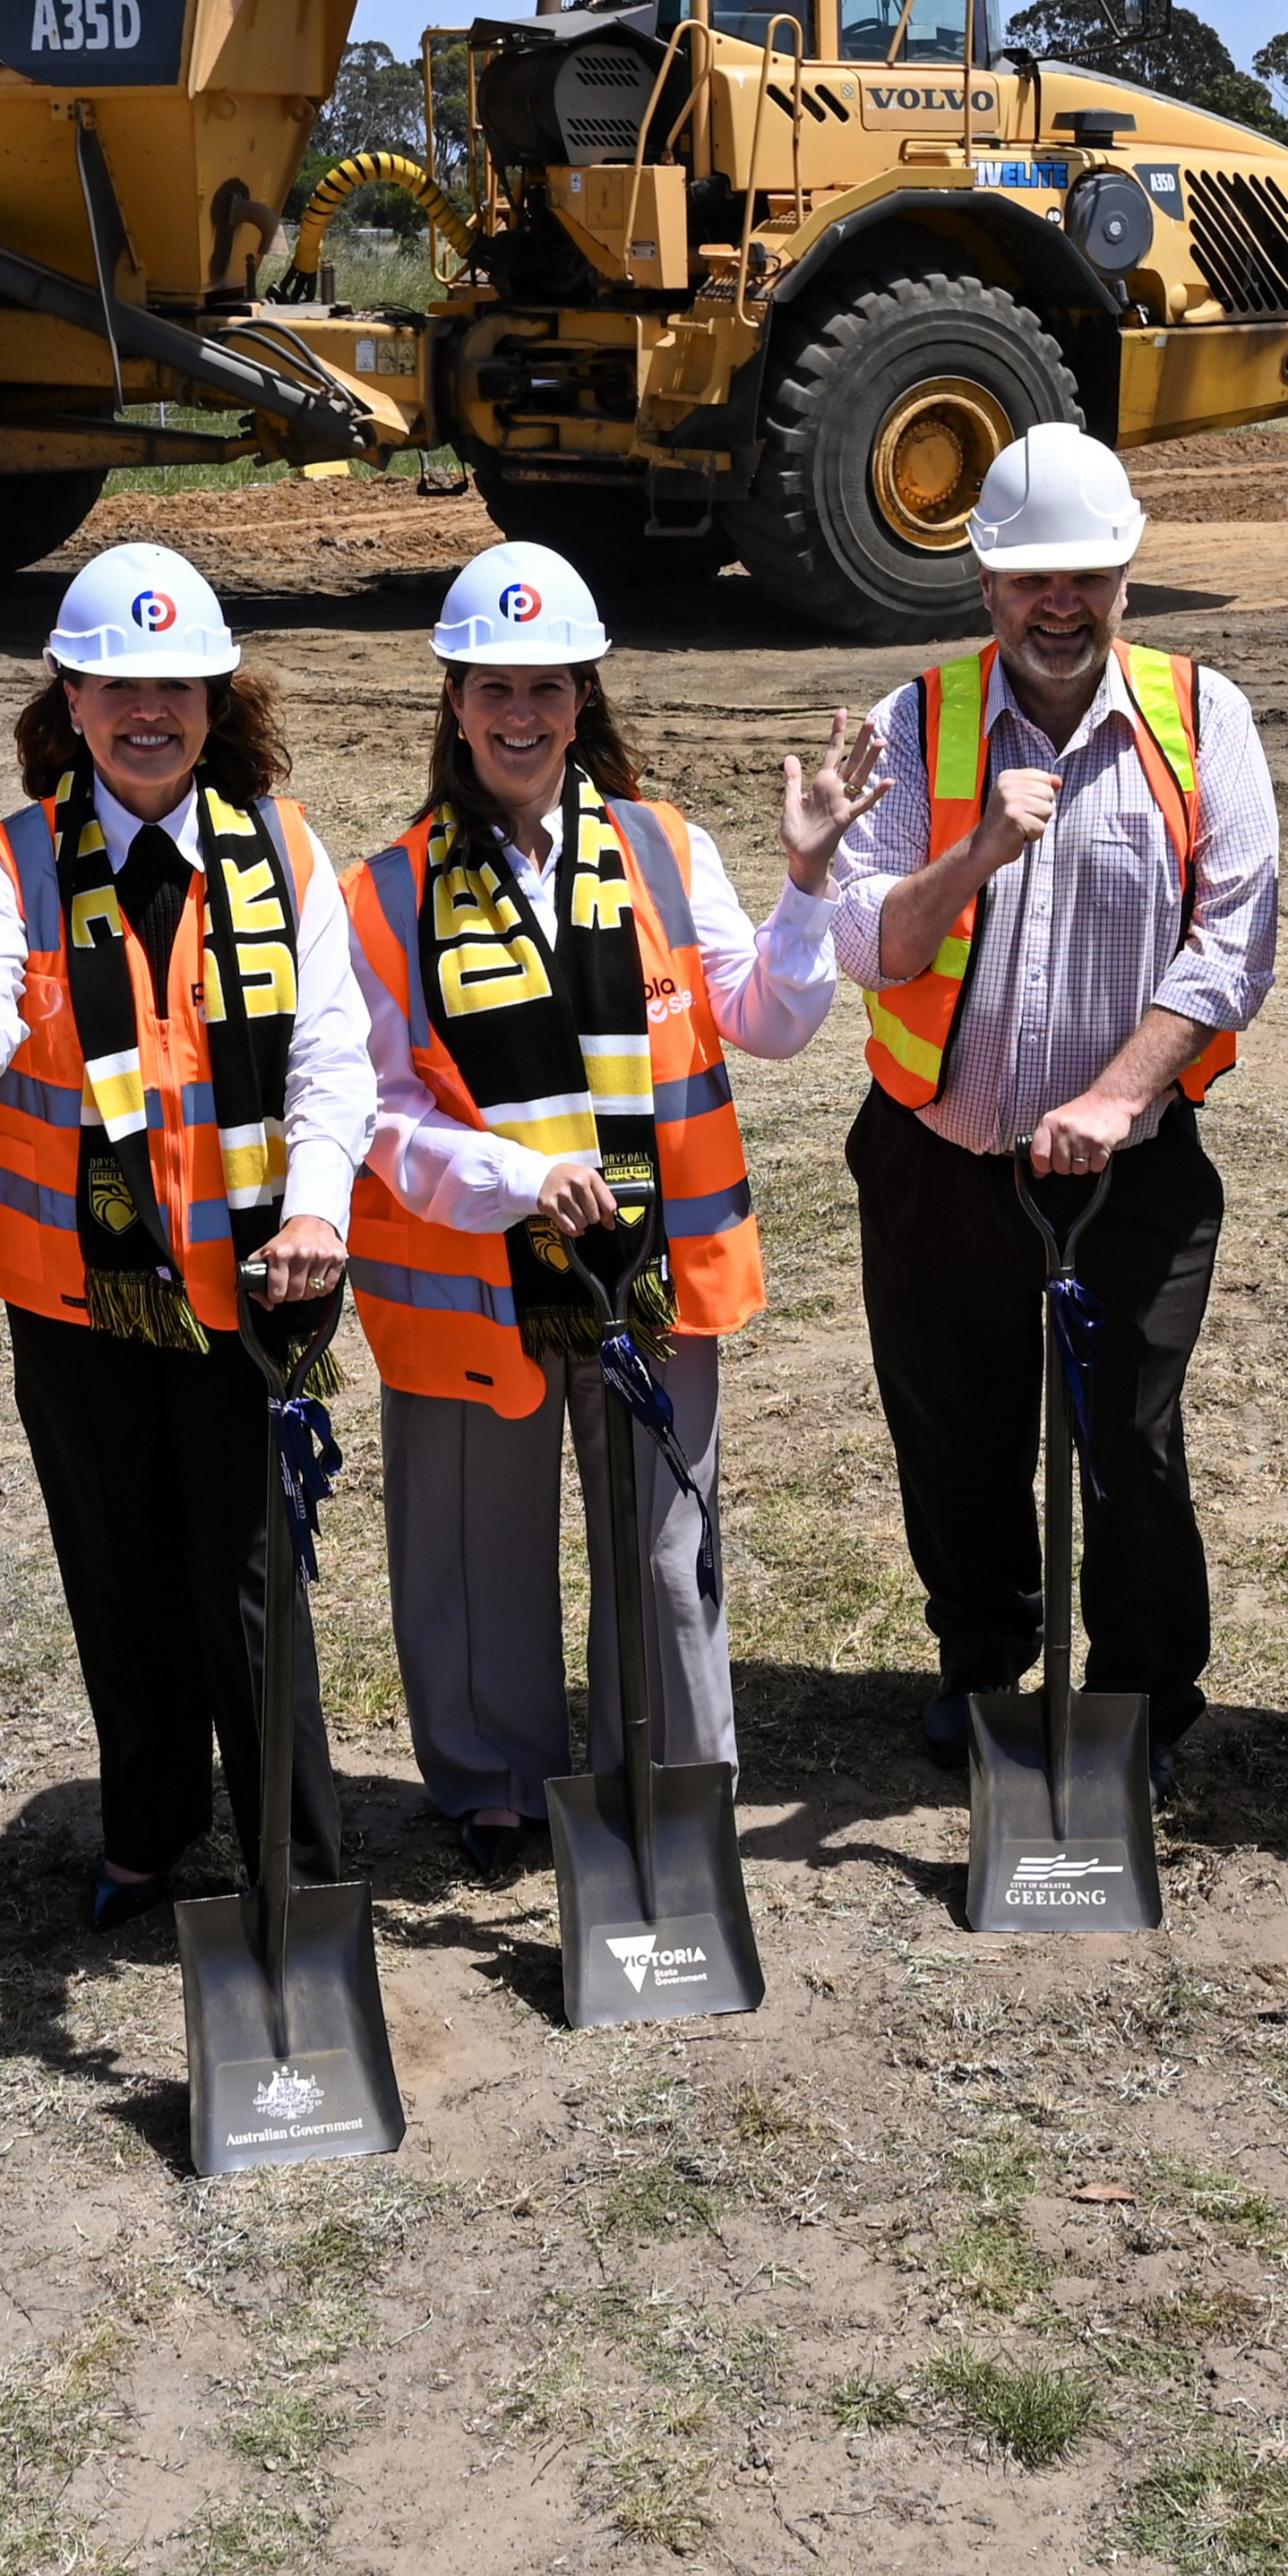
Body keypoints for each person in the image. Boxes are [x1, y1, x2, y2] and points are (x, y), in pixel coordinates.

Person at [0, 547, 371, 1930]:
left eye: (177, 685)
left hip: (256, 1288)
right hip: (81, 1306)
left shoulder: (289, 846)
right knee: (120, 1569)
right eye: (116, 684)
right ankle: (146, 1833)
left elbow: (332, 1050)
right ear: (70, 698)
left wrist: (319, 1200)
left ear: (216, 697)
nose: (150, 709)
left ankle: (294, 1868)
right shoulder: (8, 861)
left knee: (253, 1584)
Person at [343, 542, 874, 1871]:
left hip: (654, 1277)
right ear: (454, 702)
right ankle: (493, 1787)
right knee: (476, 1549)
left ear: (585, 700)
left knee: (665, 1547)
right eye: (493, 688)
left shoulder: (661, 843)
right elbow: (379, 1107)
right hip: (474, 1280)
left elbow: (767, 1017)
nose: (520, 715)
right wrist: (520, 1180)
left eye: (548, 687)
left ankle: (669, 1781)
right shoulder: (385, 889)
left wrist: (806, 882)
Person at [829, 425, 1281, 1771]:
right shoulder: (916, 723)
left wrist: (1119, 1093)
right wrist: (978, 849)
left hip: (1131, 1166)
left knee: (1128, 1435)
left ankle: (1140, 1694)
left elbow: (1234, 945)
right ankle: (984, 1661)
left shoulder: (1207, 719)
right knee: (956, 1433)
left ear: (1129, 575)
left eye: (1086, 575)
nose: (1060, 605)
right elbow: (871, 941)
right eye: (1032, 579)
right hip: (939, 1159)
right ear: (984, 586)